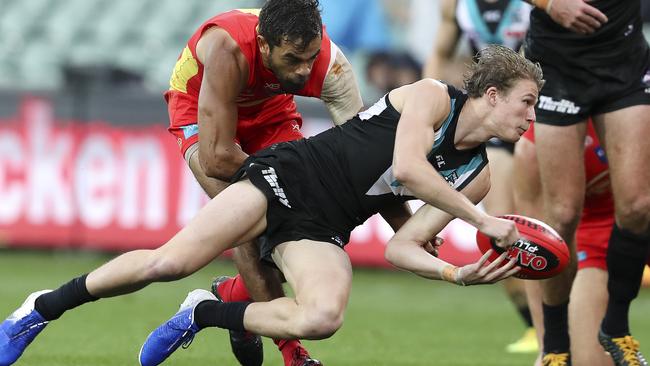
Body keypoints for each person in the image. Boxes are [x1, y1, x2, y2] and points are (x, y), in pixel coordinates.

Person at [0, 45, 540, 366]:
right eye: (527, 103)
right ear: (491, 95)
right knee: (168, 261)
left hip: (326, 223)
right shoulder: (431, 95)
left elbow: (402, 247)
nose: (531, 118)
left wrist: (455, 273)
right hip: (289, 176)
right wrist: (484, 223)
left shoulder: (478, 176)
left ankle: (203, 312)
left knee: (324, 317)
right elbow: (408, 169)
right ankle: (41, 308)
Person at [163, 1, 368, 365]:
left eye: (311, 57)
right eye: (293, 59)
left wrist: (405, 217)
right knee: (245, 223)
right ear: (263, 46)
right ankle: (293, 355)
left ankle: (232, 299)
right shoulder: (226, 47)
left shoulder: (330, 66)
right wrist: (286, 175)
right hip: (198, 111)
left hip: (268, 112)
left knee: (298, 225)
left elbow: (364, 152)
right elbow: (217, 158)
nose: (305, 70)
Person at [520, 0, 650, 364]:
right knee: (561, 217)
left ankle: (617, 328)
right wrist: (550, 4)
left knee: (639, 205)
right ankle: (556, 347)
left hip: (623, 57)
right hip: (559, 67)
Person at [423, 0, 537, 354]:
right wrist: (426, 109)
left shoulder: (533, 5)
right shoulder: (456, 7)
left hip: (542, 120)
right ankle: (535, 326)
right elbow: (438, 56)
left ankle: (563, 322)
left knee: (552, 218)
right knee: (502, 228)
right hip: (498, 127)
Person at [514, 121, 650, 366]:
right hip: (597, 229)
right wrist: (548, 346)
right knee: (590, 361)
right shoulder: (535, 147)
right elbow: (536, 251)